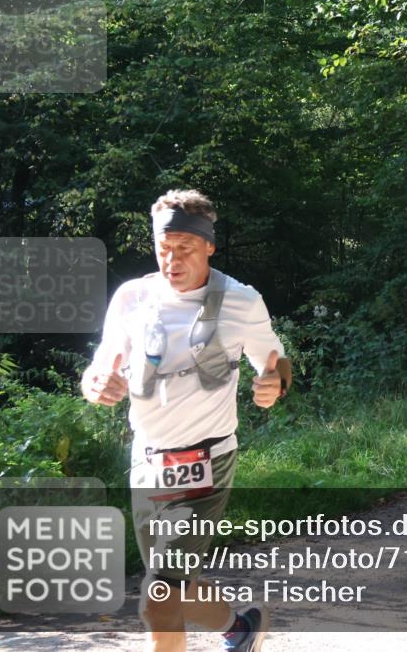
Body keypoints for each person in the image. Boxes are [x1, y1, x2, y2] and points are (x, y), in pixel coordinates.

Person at [81, 190, 291, 652]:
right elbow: (100, 366)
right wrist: (96, 384)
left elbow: (275, 361)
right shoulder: (131, 297)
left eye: (184, 249)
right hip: (147, 463)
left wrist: (274, 383)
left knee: (157, 598)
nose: (171, 260)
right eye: (163, 248)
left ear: (209, 245)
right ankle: (241, 627)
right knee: (177, 586)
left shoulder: (240, 301)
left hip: (206, 465)